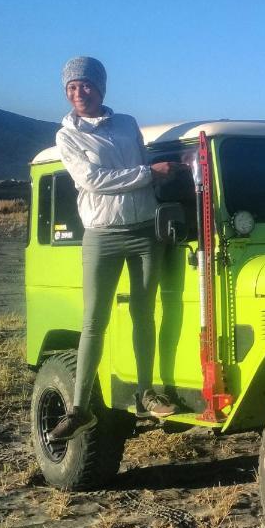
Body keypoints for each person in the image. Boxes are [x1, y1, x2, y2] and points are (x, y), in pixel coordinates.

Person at [49, 56, 184, 442]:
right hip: (102, 235)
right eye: (72, 88)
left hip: (145, 231)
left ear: (101, 87)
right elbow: (91, 180)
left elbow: (142, 167)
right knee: (95, 320)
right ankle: (79, 410)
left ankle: (146, 393)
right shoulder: (67, 135)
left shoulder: (126, 123)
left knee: (145, 312)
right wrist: (146, 175)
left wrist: (164, 177)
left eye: (86, 85)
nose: (79, 93)